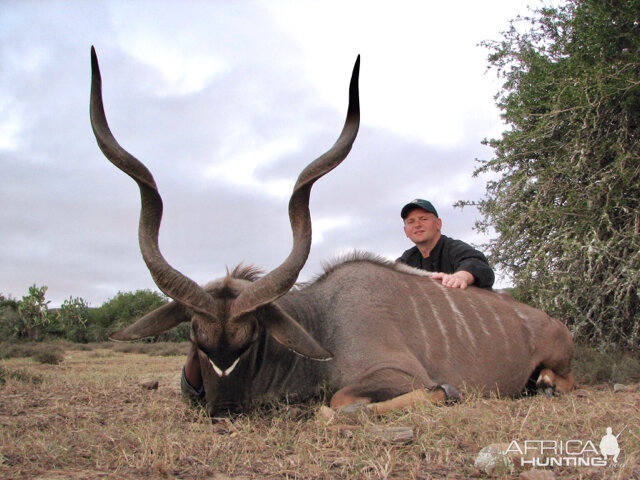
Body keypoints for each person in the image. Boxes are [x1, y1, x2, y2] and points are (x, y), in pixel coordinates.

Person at [397, 199, 494, 289]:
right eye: (411, 221)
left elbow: (478, 264)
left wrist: (462, 276)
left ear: (438, 224)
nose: (417, 225)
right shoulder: (407, 258)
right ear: (406, 231)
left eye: (424, 219)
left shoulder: (454, 248)